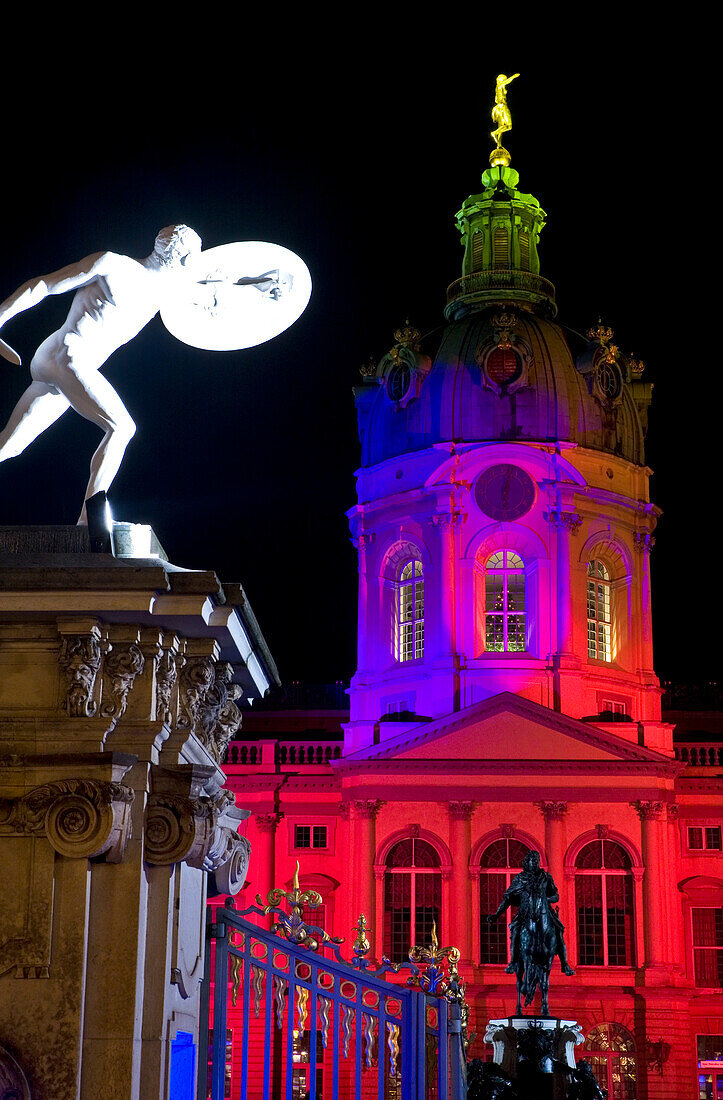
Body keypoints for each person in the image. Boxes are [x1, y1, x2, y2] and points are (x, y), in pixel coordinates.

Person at [488, 849, 575, 976]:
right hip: (525, 912)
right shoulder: (520, 879)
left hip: (544, 911)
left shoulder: (545, 877)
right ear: (526, 862)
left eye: (536, 861)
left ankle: (564, 963)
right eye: (532, 861)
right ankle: (513, 962)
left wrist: (545, 899)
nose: (534, 863)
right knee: (516, 931)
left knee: (558, 930)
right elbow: (507, 898)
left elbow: (556, 896)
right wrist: (496, 914)